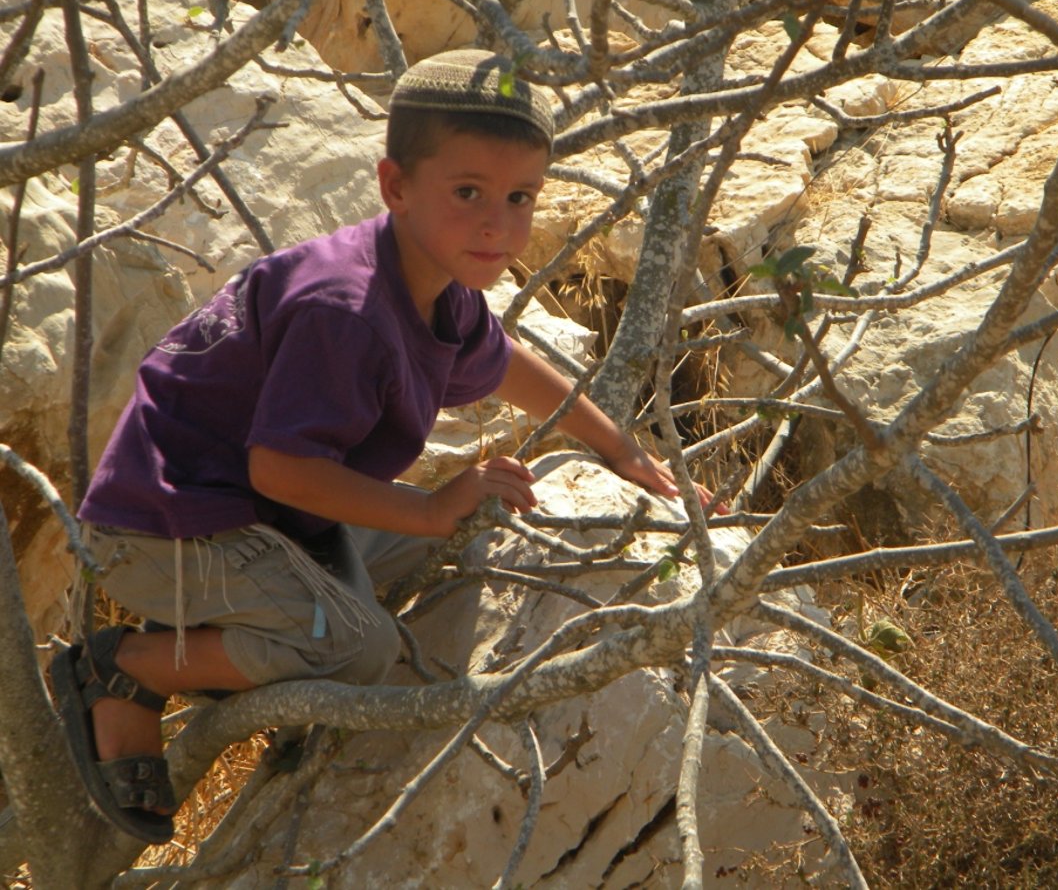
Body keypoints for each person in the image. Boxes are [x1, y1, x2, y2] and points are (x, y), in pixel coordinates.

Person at [52, 48, 706, 844]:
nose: (498, 223)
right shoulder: (347, 309)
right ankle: (127, 669)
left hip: (258, 521)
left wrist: (625, 453)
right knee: (360, 650)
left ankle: (264, 647)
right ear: (395, 185)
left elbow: (508, 366)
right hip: (167, 529)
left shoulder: (440, 287)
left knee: (462, 538)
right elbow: (280, 467)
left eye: (520, 197)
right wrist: (428, 507)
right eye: (467, 193)